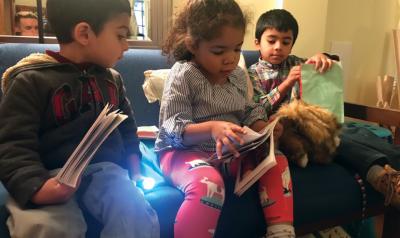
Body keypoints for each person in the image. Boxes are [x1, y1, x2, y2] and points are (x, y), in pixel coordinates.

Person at [0, 0, 160, 237]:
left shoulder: (112, 79)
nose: (126, 46)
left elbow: (127, 129)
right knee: (46, 227)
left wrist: (134, 167)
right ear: (84, 33)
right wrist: (37, 187)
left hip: (108, 173)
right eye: (121, 35)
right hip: (48, 175)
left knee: (135, 213)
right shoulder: (30, 81)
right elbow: (12, 145)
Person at [157, 0, 295, 237]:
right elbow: (172, 128)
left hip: (228, 154)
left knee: (277, 161)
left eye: (237, 48)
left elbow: (250, 109)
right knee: (209, 184)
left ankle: (281, 232)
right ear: (193, 44)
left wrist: (263, 127)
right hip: (182, 153)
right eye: (219, 51)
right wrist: (212, 129)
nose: (230, 59)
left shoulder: (239, 76)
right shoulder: (184, 73)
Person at [248, 9, 400, 209]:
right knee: (328, 136)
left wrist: (322, 57)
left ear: (292, 43)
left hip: (313, 124)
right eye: (272, 40)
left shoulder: (297, 63)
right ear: (257, 42)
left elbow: (324, 71)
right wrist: (287, 83)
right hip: (283, 131)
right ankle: (378, 175)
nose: (278, 47)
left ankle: (385, 173)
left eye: (285, 42)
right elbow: (259, 108)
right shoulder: (251, 74)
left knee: (349, 132)